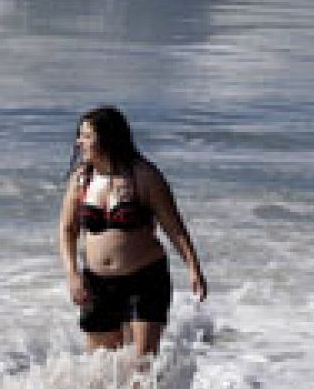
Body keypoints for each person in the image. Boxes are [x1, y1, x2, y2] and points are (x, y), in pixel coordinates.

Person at [58, 106, 207, 357]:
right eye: (79, 135)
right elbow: (67, 229)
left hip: (144, 279)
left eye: (86, 136)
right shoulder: (82, 179)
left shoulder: (144, 176)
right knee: (101, 368)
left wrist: (194, 267)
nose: (79, 142)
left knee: (143, 366)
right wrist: (72, 274)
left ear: (108, 138)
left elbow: (174, 226)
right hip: (97, 283)